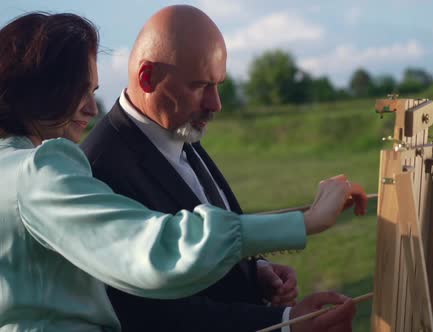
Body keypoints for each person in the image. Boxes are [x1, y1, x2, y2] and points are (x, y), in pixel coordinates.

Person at [0, 12, 367, 332]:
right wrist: (305, 222)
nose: (91, 109)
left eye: (93, 91)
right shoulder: (41, 170)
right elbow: (154, 249)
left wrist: (252, 270)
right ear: (41, 92)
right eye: (79, 92)